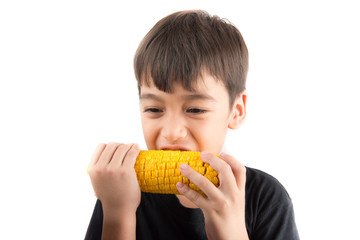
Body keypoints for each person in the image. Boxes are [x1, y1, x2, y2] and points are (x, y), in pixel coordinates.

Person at [85, 10, 299, 240]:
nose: (172, 132)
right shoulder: (119, 191)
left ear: (236, 110)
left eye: (195, 110)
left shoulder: (265, 198)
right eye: (154, 109)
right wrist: (118, 214)